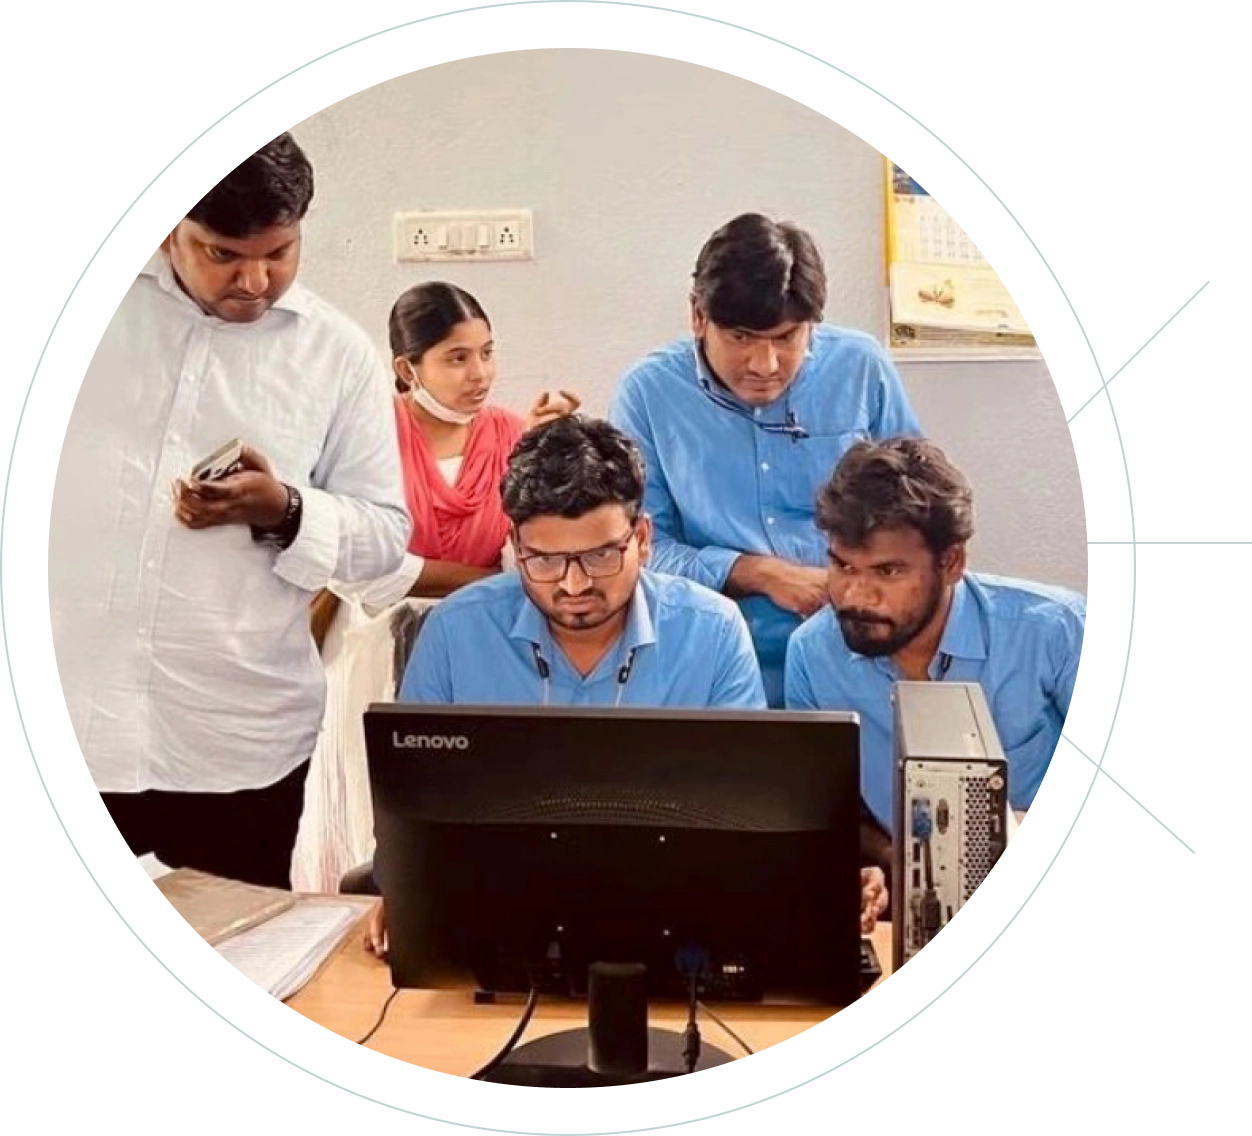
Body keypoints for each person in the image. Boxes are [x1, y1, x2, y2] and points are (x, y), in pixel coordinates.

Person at [365, 416, 887, 952]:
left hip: (679, 920)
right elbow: (413, 812)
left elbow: (748, 822)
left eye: (599, 555)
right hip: (497, 922)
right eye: (544, 559)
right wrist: (409, 888)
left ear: (641, 538)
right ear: (515, 545)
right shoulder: (457, 629)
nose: (573, 584)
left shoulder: (711, 631)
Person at [48, 130, 411, 889]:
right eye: (223, 254)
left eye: (279, 252)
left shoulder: (337, 356)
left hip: (238, 746)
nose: (255, 280)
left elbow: (385, 541)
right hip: (74, 717)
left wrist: (286, 511)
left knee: (239, 972)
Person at [609, 212, 922, 707]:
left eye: (786, 338)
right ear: (697, 316)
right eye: (741, 338)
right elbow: (641, 549)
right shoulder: (648, 394)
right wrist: (756, 572)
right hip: (712, 653)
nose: (765, 365)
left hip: (856, 647)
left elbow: (918, 520)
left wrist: (859, 584)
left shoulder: (861, 367)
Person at [784, 436, 1087, 840]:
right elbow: (827, 807)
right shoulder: (810, 653)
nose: (854, 595)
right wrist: (885, 866)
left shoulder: (1053, 627)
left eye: (888, 571)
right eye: (842, 566)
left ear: (951, 563)